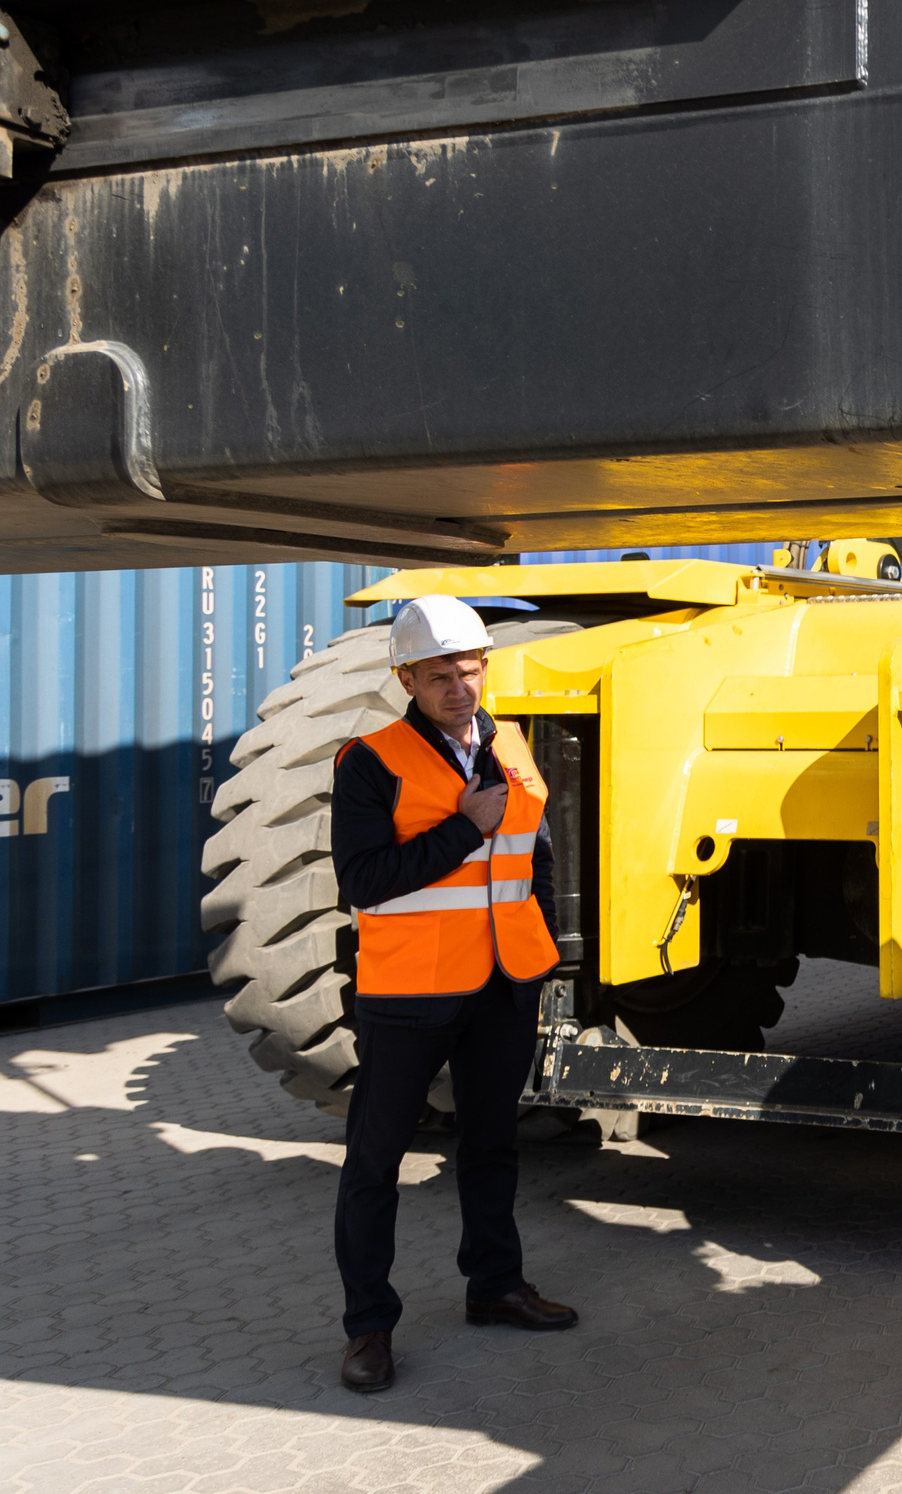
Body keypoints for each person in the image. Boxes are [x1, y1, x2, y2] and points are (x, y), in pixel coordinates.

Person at [329, 594, 580, 1395]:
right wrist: (463, 828)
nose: (459, 687)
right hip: (409, 994)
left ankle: (496, 1287)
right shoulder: (368, 760)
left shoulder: (510, 745)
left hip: (503, 984)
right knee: (376, 1160)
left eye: (469, 669)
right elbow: (363, 880)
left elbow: (536, 850)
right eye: (439, 675)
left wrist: (538, 940)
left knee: (493, 1144)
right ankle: (369, 1326)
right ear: (405, 677)